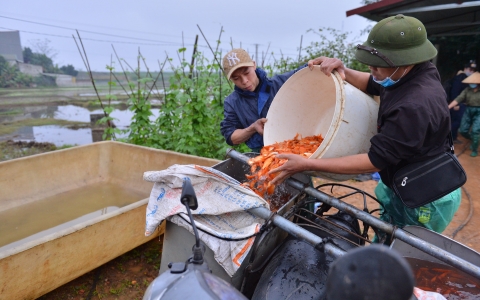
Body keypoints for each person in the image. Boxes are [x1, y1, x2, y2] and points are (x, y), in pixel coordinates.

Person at [269, 14, 461, 236]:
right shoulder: (411, 73)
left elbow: (374, 161)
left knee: (407, 251)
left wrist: (306, 163)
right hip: (402, 178)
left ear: (405, 62)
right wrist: (342, 70)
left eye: (378, 65)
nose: (371, 68)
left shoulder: (414, 106)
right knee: (387, 234)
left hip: (426, 194)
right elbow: (374, 84)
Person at [220, 48, 306, 152]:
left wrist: (320, 63)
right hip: (261, 154)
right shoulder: (232, 102)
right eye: (236, 78)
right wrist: (252, 128)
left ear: (254, 65)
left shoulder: (279, 84)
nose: (244, 81)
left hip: (295, 147)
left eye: (246, 72)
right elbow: (231, 136)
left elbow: (304, 73)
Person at [448, 72, 480, 157]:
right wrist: (448, 107)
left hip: (479, 111)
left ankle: (474, 149)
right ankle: (473, 139)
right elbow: (458, 98)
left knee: (475, 130)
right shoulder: (467, 90)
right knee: (463, 130)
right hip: (468, 109)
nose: (472, 84)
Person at [448, 61, 477, 143]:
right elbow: (455, 92)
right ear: (465, 69)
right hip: (457, 104)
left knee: (457, 122)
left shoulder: (467, 79)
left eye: (473, 70)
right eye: (470, 69)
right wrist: (455, 104)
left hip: (462, 104)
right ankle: (448, 138)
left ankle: (453, 137)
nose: (471, 71)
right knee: (456, 122)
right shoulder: (460, 78)